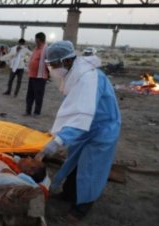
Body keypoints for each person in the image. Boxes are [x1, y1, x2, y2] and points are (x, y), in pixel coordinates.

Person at [35, 40, 121, 223]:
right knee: (75, 163)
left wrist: (57, 141)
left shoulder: (88, 78)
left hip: (100, 129)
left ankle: (82, 207)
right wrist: (57, 133)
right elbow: (74, 109)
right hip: (86, 128)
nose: (52, 69)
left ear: (66, 61)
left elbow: (82, 114)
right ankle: (68, 194)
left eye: (54, 65)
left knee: (90, 169)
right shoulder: (77, 73)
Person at [25, 32, 49, 117]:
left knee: (38, 95)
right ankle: (28, 111)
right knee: (30, 95)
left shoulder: (46, 50)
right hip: (32, 75)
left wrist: (48, 75)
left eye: (36, 39)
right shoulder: (35, 49)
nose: (35, 41)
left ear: (39, 40)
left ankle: (37, 112)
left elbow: (48, 63)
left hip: (40, 77)